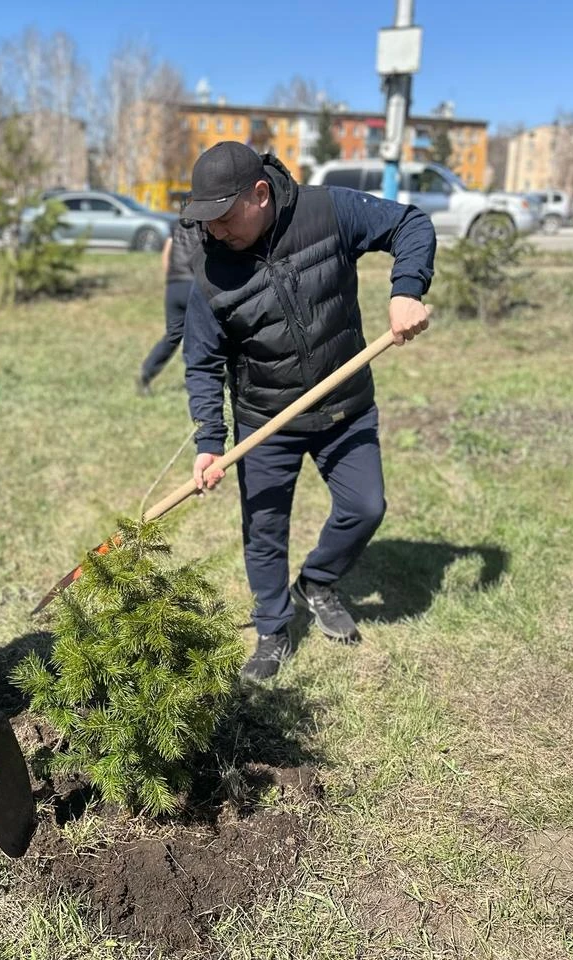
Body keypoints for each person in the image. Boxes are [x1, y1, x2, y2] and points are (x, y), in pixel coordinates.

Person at [181, 141, 433, 681]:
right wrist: (208, 443)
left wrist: (406, 290)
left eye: (224, 216)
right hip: (265, 421)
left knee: (365, 506)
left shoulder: (328, 211)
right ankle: (273, 628)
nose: (215, 231)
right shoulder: (208, 269)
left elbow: (410, 224)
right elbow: (202, 362)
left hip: (345, 405)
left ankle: (317, 581)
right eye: (206, 219)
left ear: (260, 194)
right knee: (264, 530)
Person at [136, 213, 204, 395]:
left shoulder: (176, 224)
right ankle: (199, 380)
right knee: (203, 335)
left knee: (173, 334)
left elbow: (166, 253)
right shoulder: (206, 223)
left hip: (174, 286)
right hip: (195, 286)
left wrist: (171, 280)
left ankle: (147, 372)